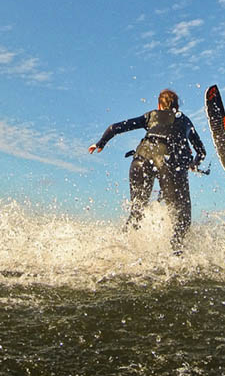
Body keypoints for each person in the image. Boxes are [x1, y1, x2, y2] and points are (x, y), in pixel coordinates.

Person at [88, 89, 206, 253]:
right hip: (169, 162)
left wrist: (100, 143)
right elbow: (201, 152)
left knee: (137, 212)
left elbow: (114, 127)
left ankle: (121, 251)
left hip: (141, 159)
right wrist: (193, 163)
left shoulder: (151, 116)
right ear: (177, 107)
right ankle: (176, 258)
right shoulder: (185, 121)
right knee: (182, 220)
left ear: (159, 105)